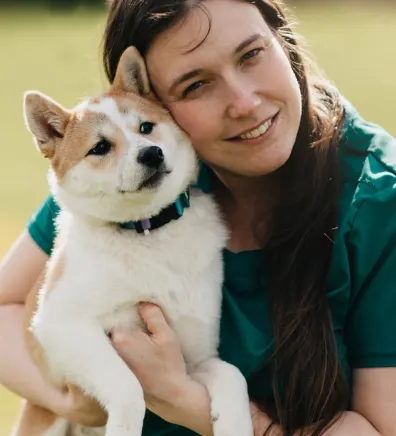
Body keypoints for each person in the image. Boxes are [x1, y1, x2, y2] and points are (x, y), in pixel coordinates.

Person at [1, 0, 396, 434]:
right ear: (154, 98)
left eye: (251, 54)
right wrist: (80, 402)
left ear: (283, 39)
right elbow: (9, 306)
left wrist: (185, 400)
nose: (244, 103)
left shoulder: (378, 201)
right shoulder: (126, 192)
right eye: (195, 85)